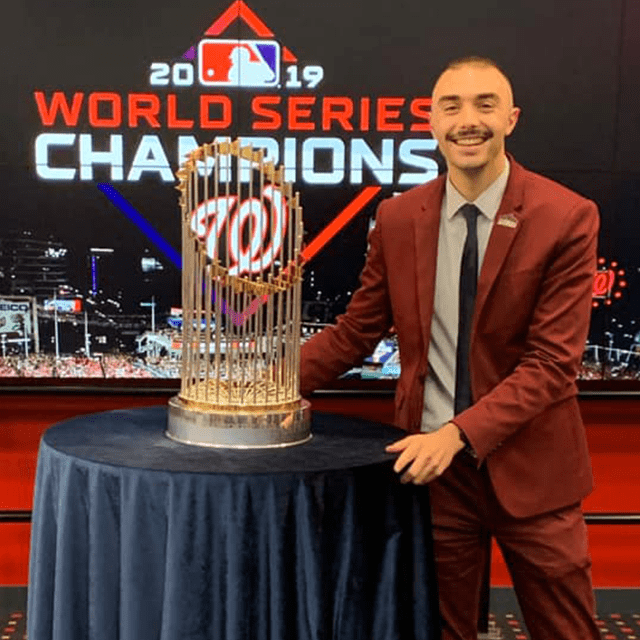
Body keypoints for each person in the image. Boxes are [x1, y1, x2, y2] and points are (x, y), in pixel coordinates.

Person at [298, 56, 601, 640]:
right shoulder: (397, 218)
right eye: (452, 106)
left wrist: (456, 434)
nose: (469, 120)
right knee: (440, 628)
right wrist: (258, 387)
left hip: (532, 470)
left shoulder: (566, 217)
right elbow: (356, 333)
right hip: (436, 477)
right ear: (431, 122)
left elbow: (552, 365)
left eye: (485, 104)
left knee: (568, 631)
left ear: (511, 118)